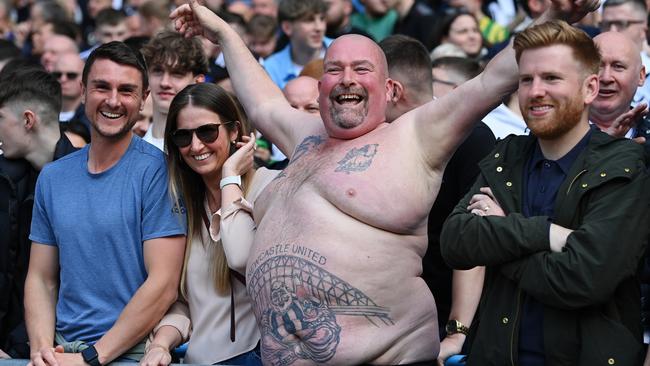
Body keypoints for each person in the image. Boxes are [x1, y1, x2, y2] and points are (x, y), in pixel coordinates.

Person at [170, 0, 598, 363]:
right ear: (321, 90)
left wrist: (554, 17)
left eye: (361, 69)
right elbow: (261, 101)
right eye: (335, 70)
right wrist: (223, 31)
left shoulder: (416, 136)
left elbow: (490, 80)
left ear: (390, 88)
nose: (348, 79)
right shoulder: (304, 135)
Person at [440, 20, 650, 365]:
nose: (535, 91)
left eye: (552, 78)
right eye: (526, 80)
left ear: (589, 88)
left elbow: (586, 277)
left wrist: (501, 237)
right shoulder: (507, 155)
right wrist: (550, 235)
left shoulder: (624, 164)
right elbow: (456, 241)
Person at [24, 41, 186, 365]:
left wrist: (91, 358)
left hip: (134, 352)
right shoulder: (53, 177)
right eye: (102, 87)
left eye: (127, 90)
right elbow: (42, 278)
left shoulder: (159, 172)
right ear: (83, 91)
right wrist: (41, 351)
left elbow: (164, 284)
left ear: (144, 100)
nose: (113, 101)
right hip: (62, 350)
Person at [140, 83, 277, 366]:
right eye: (183, 136)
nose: (196, 145)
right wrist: (161, 344)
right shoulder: (184, 204)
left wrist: (230, 176)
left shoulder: (269, 187)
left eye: (207, 131)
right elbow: (186, 304)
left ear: (234, 130)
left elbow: (240, 257)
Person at [379, 34, 495, 366]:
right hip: (381, 319)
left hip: (444, 323)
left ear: (391, 90)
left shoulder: (470, 138)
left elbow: (474, 240)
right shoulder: (372, 134)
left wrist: (457, 332)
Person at [0, 67, 78, 360]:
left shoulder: (83, 182)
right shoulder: (6, 177)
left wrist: (20, 348)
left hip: (53, 349)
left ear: (27, 120)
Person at [140, 30, 207, 151]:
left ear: (198, 81)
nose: (164, 83)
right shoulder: (131, 149)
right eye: (158, 71)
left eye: (177, 74)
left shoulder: (205, 147)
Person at [262, 0, 331, 89]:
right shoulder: (271, 69)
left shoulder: (344, 50)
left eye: (322, 19)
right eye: (309, 20)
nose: (319, 27)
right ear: (287, 27)